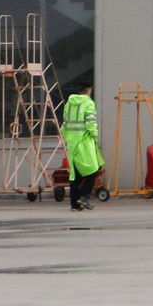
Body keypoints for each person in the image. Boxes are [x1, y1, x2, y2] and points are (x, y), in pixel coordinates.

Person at [63, 82, 102, 211]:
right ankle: (84, 196)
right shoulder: (89, 103)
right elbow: (91, 122)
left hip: (71, 141)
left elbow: (65, 121)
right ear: (89, 90)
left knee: (75, 174)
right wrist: (94, 135)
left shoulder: (69, 103)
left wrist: (66, 136)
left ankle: (75, 204)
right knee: (93, 169)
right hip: (84, 141)